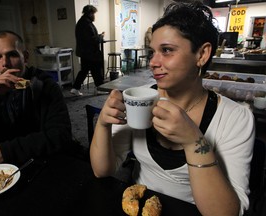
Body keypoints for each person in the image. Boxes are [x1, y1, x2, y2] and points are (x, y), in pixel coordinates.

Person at [90, 1, 255, 215]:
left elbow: (227, 212)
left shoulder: (235, 118)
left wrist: (193, 140)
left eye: (167, 50)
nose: (153, 62)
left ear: (202, 54)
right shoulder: (138, 99)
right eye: (153, 52)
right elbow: (103, 170)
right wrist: (103, 123)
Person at [0, 30, 73, 170]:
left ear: (25, 56)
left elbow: (61, 136)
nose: (5, 63)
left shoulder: (45, 85)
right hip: (0, 170)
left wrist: (7, 151)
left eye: (12, 55)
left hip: (42, 164)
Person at [70, 5, 105, 96]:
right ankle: (99, 88)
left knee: (84, 71)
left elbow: (89, 37)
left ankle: (75, 88)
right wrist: (100, 36)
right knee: (96, 70)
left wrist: (98, 36)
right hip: (90, 53)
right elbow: (92, 40)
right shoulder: (86, 24)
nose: (94, 16)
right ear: (90, 13)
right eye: (93, 13)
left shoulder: (82, 22)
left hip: (85, 53)